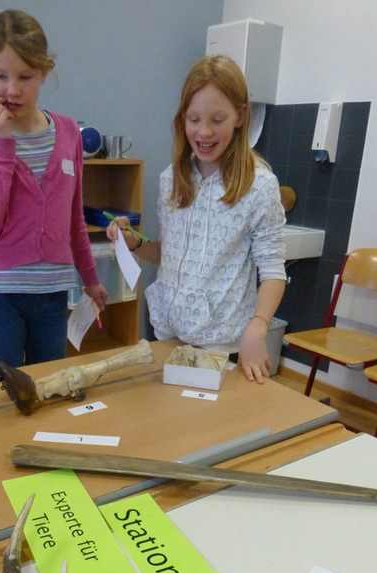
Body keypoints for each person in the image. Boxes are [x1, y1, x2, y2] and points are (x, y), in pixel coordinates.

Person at [107, 55, 286, 384]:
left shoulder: (259, 186)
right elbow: (172, 254)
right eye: (194, 119)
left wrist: (258, 326)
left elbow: (274, 271)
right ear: (182, 119)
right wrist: (135, 243)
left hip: (223, 342)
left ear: (240, 116)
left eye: (218, 120)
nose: (204, 132)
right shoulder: (171, 179)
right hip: (168, 333)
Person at [0, 9, 107, 372]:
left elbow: (74, 218)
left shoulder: (68, 132)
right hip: (0, 297)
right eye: (0, 76)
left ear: (44, 72)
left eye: (25, 76)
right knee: (6, 391)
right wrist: (1, 145)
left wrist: (91, 279)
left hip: (53, 295)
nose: (12, 90)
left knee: (50, 387)